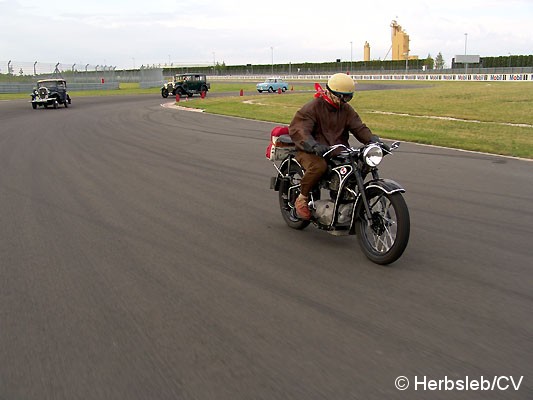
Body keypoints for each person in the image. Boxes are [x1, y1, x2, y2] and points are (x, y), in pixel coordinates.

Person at [288, 73, 379, 220]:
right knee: (319, 167)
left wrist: (373, 140)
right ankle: (302, 198)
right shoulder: (313, 107)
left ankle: (346, 195)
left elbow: (359, 128)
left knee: (361, 163)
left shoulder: (346, 109)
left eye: (348, 97)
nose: (344, 101)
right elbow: (300, 129)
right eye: (342, 97)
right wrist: (312, 145)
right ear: (330, 92)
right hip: (310, 150)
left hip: (337, 149)